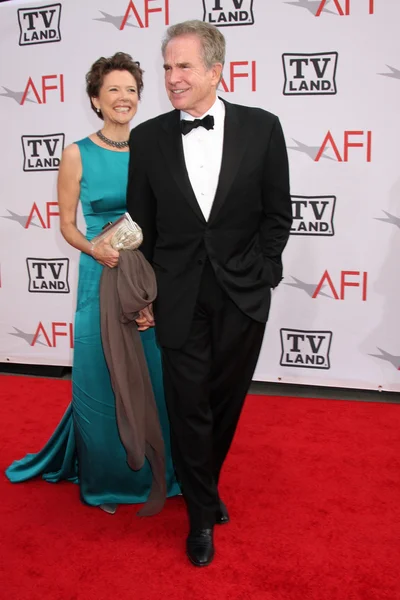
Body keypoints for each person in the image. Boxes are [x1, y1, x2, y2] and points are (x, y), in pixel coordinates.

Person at [126, 21, 292, 566]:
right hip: (177, 294)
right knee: (188, 403)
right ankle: (200, 516)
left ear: (215, 71)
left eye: (183, 67)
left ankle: (204, 484)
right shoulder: (148, 138)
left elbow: (277, 214)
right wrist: (145, 290)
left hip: (243, 291)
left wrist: (265, 270)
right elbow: (142, 225)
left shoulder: (262, 128)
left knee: (224, 403)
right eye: (167, 67)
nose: (171, 78)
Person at [6, 52, 180, 513]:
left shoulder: (154, 149)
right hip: (98, 273)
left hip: (143, 274)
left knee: (152, 376)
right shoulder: (76, 153)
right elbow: (66, 225)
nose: (124, 98)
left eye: (131, 90)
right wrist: (94, 249)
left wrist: (151, 289)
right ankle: (108, 479)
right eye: (113, 91)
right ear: (95, 100)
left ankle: (158, 471)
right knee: (100, 375)